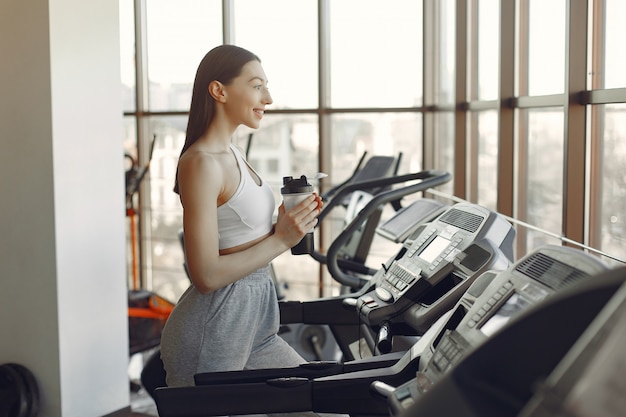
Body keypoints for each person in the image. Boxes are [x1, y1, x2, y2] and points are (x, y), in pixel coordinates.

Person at [159, 44, 323, 389]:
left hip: (256, 328)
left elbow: (240, 233)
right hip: (213, 333)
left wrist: (287, 221)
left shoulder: (233, 151)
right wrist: (282, 238)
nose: (269, 98)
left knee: (318, 404)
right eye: (257, 85)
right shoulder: (201, 162)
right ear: (219, 90)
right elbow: (205, 275)